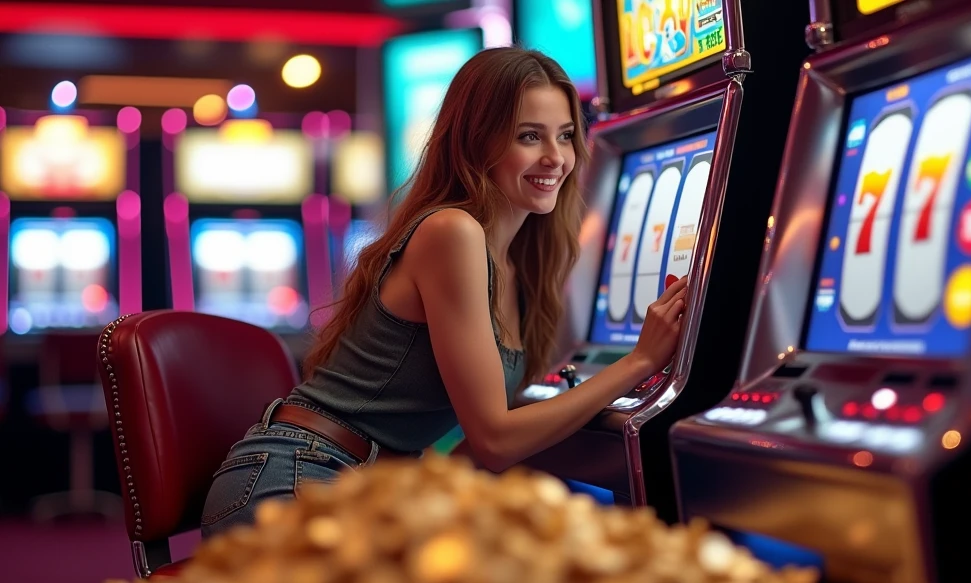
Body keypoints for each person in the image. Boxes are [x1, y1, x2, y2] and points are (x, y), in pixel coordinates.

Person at [200, 47, 689, 539]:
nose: (556, 158)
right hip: (298, 480)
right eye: (528, 136)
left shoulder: (517, 264)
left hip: (371, 488)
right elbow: (495, 438)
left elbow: (477, 453)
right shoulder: (452, 232)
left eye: (565, 136)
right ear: (478, 143)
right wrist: (639, 363)